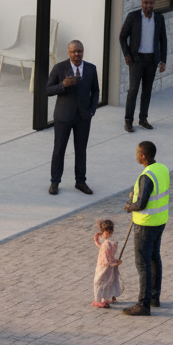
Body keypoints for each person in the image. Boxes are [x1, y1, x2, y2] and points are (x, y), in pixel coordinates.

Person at [45, 39, 99, 195]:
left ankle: (80, 181)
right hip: (63, 116)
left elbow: (95, 91)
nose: (77, 54)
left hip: (83, 116)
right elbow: (47, 90)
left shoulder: (90, 69)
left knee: (81, 150)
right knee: (59, 150)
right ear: (68, 52)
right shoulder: (59, 68)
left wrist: (91, 110)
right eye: (74, 51)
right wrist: (63, 85)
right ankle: (55, 182)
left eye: (79, 51)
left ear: (83, 52)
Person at [122, 140, 169, 316]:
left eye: (137, 152)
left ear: (142, 156)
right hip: (160, 221)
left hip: (145, 224)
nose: (135, 154)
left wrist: (129, 206)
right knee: (154, 258)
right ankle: (154, 297)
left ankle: (143, 304)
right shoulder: (162, 169)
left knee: (143, 264)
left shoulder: (146, 176)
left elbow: (141, 204)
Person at [118, 0, 167, 132]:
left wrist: (163, 60)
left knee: (147, 90)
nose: (148, 5)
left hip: (152, 60)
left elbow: (163, 40)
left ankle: (143, 119)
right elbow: (122, 37)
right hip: (136, 59)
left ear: (154, 4)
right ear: (141, 3)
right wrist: (126, 54)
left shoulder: (159, 18)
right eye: (145, 3)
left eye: (150, 3)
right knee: (133, 90)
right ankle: (128, 120)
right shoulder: (133, 17)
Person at [91, 218, 123, 308]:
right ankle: (97, 300)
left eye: (110, 232)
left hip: (108, 266)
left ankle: (107, 297)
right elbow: (108, 259)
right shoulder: (106, 244)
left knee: (109, 280)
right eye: (107, 232)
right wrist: (116, 262)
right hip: (103, 265)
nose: (109, 234)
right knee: (100, 281)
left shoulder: (108, 242)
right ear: (103, 231)